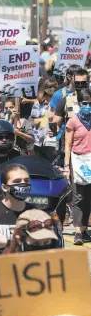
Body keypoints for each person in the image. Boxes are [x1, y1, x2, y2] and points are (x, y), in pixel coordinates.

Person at [0, 164, 33, 251]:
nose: (23, 184)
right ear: (4, 187)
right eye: (17, 181)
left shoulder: (35, 213)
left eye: (26, 180)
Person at [64, 88, 91, 245]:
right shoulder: (73, 121)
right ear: (79, 104)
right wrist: (66, 166)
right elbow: (67, 145)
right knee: (78, 197)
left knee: (88, 197)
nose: (87, 106)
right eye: (84, 103)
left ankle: (84, 229)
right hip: (78, 161)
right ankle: (77, 232)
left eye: (90, 103)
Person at [31, 79, 58, 160]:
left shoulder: (59, 102)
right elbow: (35, 121)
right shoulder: (38, 103)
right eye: (50, 87)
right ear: (45, 88)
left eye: (54, 87)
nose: (52, 89)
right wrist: (46, 117)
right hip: (39, 140)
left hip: (53, 139)